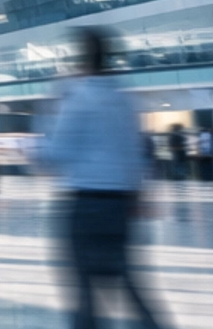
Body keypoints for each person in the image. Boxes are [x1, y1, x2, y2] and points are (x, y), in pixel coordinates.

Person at [38, 28, 165, 329]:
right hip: (120, 206)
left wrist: (49, 107)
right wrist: (138, 197)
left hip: (86, 206)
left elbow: (55, 155)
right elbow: (137, 156)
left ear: (81, 58)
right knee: (129, 284)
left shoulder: (78, 99)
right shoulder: (124, 100)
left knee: (85, 295)